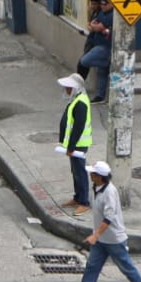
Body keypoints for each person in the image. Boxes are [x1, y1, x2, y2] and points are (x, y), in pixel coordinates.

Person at [70, 161, 141, 282]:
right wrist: (97, 236)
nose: (90, 175)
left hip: (113, 240)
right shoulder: (96, 188)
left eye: (93, 173)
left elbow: (108, 218)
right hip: (100, 240)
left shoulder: (110, 192)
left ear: (99, 177)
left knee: (126, 268)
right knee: (91, 267)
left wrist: (95, 235)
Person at [57, 73, 93, 217]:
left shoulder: (81, 102)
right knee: (76, 171)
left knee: (80, 172)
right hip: (74, 144)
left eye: (68, 87)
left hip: (79, 145)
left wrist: (71, 147)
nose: (66, 90)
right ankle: (78, 197)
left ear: (76, 88)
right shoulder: (76, 100)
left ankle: (84, 202)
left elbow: (78, 126)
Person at [80, 0, 114, 103]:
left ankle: (106, 62)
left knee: (84, 61)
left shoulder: (112, 15)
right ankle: (100, 96)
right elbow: (91, 26)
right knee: (101, 73)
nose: (102, 6)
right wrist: (98, 28)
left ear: (111, 4)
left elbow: (98, 27)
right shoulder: (101, 13)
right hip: (97, 43)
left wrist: (98, 28)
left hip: (106, 47)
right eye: (102, 4)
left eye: (105, 4)